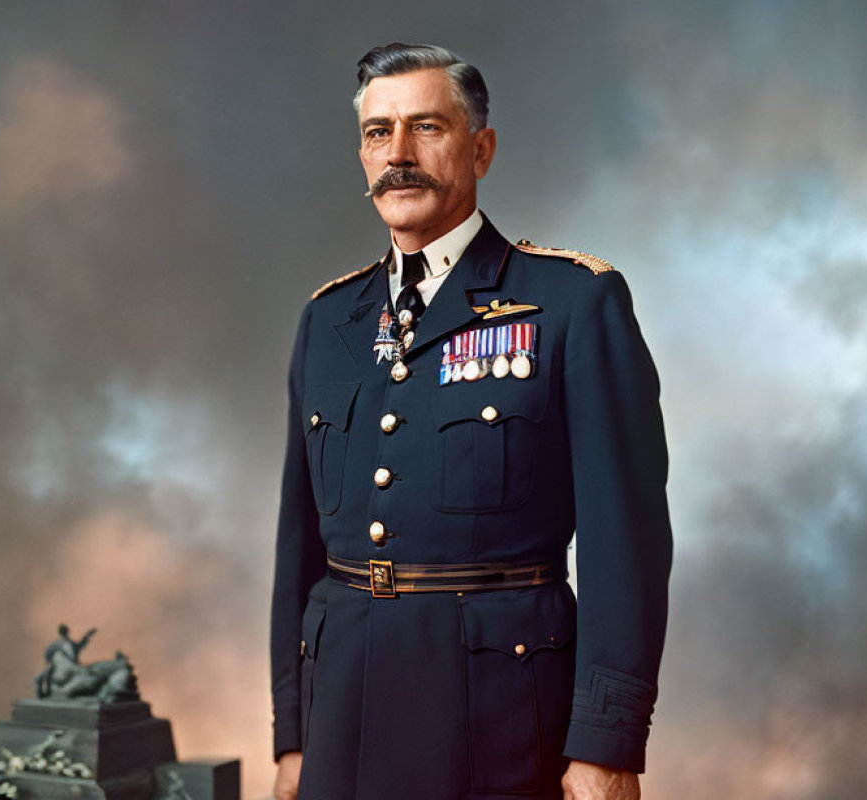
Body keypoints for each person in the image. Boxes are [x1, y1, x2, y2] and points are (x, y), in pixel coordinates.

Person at [269, 43, 672, 800]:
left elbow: (630, 544)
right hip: (342, 721)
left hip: (500, 722)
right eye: (378, 133)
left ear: (480, 149)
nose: (399, 155)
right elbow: (301, 547)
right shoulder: (329, 319)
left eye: (427, 128)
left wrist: (607, 743)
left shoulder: (573, 303)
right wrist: (292, 731)